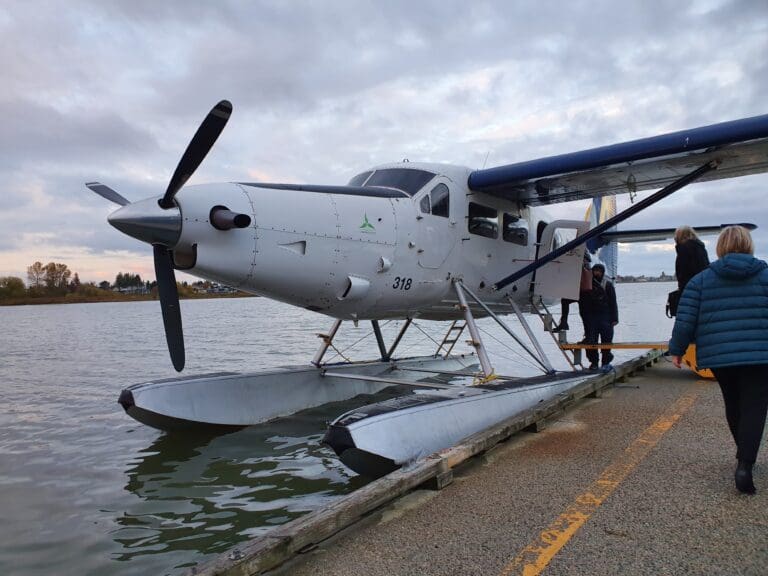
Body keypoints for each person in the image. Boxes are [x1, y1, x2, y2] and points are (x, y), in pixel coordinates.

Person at [669, 225, 768, 495]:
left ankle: (743, 454)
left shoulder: (701, 281)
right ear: (749, 245)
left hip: (721, 356)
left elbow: (685, 319)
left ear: (720, 247)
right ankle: (745, 464)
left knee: (733, 403)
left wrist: (677, 349)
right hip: (761, 355)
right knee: (755, 407)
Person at [583, 263, 618, 369]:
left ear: (602, 272)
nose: (597, 273)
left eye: (599, 271)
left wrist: (615, 318)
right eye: (595, 271)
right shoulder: (587, 284)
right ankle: (594, 362)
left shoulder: (608, 285)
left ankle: (605, 362)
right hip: (592, 318)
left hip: (606, 317)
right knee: (591, 341)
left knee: (606, 341)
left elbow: (613, 303)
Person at [553, 253, 592, 340]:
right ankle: (588, 334)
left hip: (582, 292)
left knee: (582, 313)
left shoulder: (582, 264)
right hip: (583, 292)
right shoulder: (588, 265)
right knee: (583, 313)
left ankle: (588, 334)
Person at [674, 225, 709, 291]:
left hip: (690, 287)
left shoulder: (684, 250)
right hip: (703, 285)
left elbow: (682, 273)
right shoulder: (701, 248)